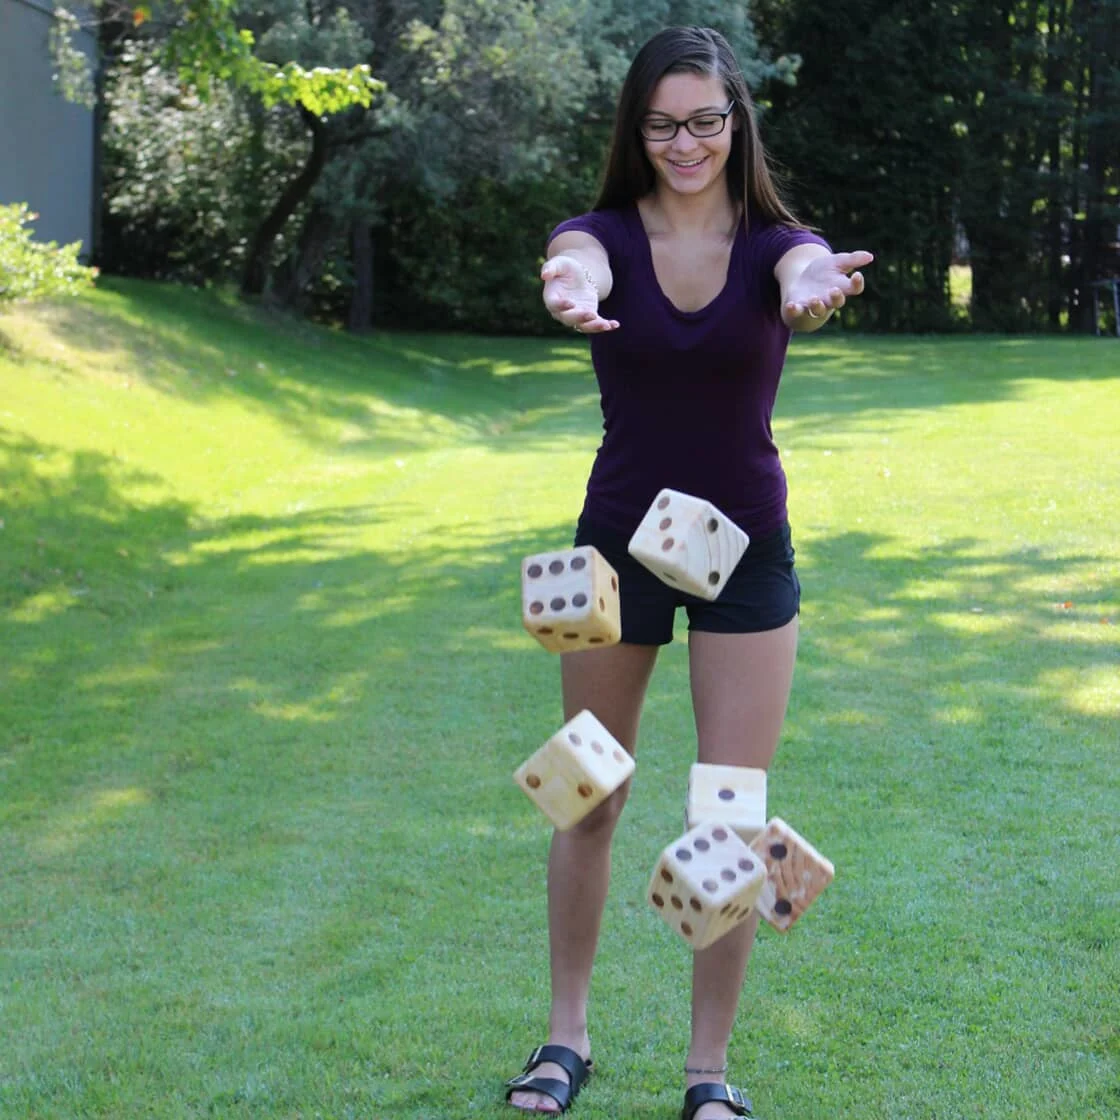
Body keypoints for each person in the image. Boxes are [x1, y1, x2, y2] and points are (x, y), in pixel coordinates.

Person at [505, 25, 872, 1120]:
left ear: (735, 123)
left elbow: (805, 268)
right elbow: (576, 261)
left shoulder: (775, 247)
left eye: (705, 120)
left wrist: (814, 292)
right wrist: (567, 293)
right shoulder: (601, 233)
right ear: (637, 128)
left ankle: (707, 1071)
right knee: (589, 794)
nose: (684, 141)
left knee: (727, 809)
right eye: (662, 122)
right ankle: (565, 1039)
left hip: (747, 550)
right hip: (615, 548)